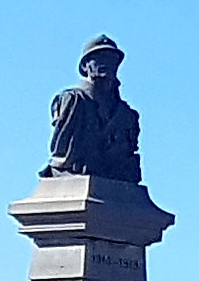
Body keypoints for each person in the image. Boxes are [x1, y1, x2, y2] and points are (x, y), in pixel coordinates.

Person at [43, 35, 142, 181]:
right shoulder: (73, 101)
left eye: (111, 59)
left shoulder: (127, 116)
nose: (106, 63)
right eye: (99, 57)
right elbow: (61, 153)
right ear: (85, 66)